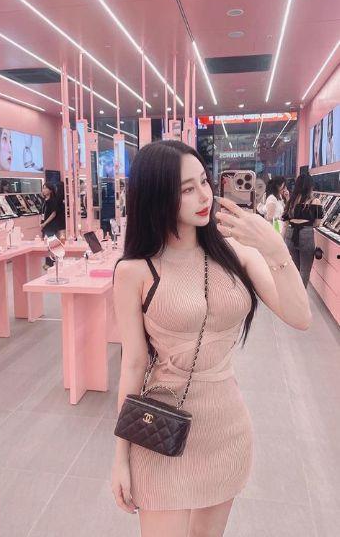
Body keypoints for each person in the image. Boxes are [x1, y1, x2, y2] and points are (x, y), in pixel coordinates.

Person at [112, 140, 311, 537]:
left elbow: (300, 317)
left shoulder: (236, 254)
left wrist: (274, 248)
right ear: (157, 196)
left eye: (204, 181)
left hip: (225, 427)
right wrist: (121, 454)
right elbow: (133, 362)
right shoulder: (135, 271)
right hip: (160, 427)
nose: (204, 196)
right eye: (187, 189)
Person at [283, 174, 323, 288]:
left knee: (295, 269)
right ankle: (302, 295)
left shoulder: (291, 201)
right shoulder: (315, 201)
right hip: (306, 233)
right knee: (305, 270)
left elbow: (286, 220)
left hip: (290, 233)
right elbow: (317, 223)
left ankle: (294, 293)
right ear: (310, 186)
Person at [41, 182, 66, 269]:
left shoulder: (53, 200)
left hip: (51, 225)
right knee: (48, 244)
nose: (43, 190)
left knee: (52, 244)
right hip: (46, 225)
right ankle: (50, 262)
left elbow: (53, 213)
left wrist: (45, 223)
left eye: (45, 188)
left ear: (50, 190)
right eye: (43, 188)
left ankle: (51, 263)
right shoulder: (45, 200)